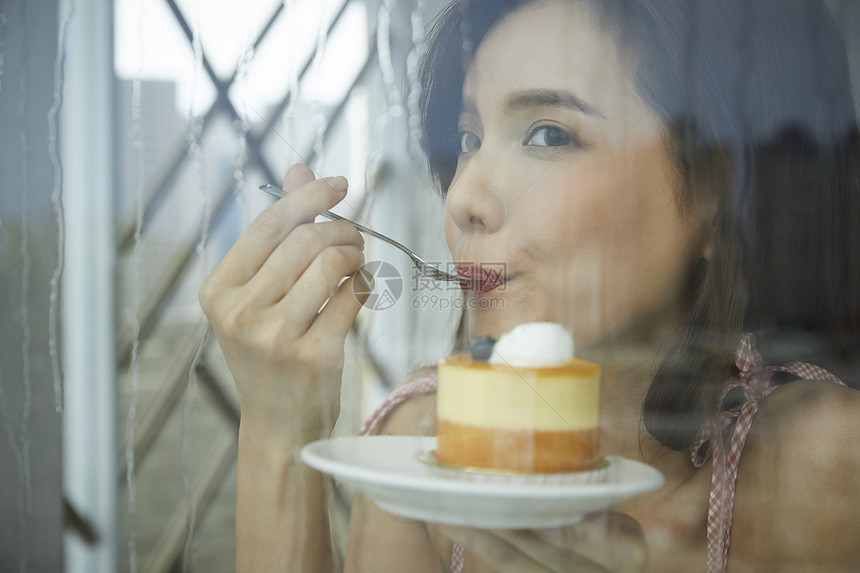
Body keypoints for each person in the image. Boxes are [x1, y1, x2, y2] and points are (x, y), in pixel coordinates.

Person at [198, 0, 860, 570]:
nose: (462, 197)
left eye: (549, 134)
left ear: (715, 191)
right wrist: (277, 431)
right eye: (469, 136)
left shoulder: (822, 464)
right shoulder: (415, 443)